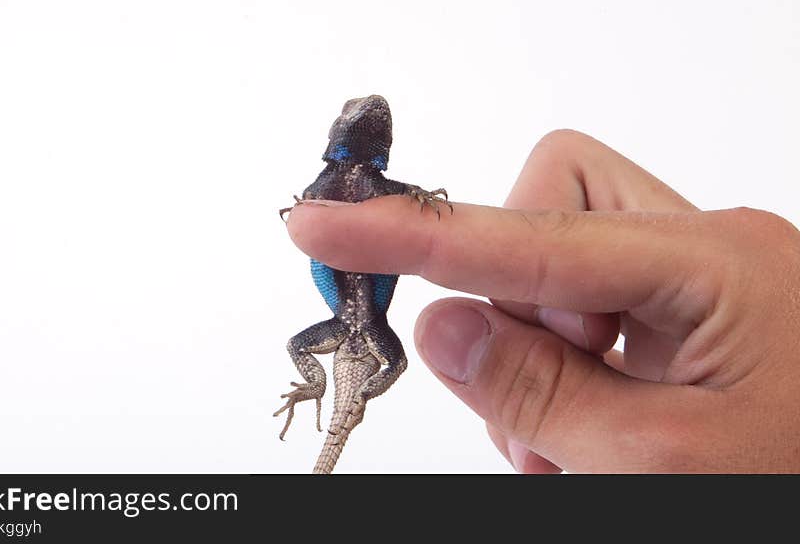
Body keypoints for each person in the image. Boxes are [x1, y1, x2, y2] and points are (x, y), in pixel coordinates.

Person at [284, 129, 800, 473]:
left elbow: (398, 193)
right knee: (304, 346)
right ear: (338, 134)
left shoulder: (375, 183)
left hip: (365, 324)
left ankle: (349, 408)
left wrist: (363, 394)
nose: (367, 117)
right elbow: (310, 201)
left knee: (392, 360)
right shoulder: (327, 182)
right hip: (347, 325)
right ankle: (318, 389)